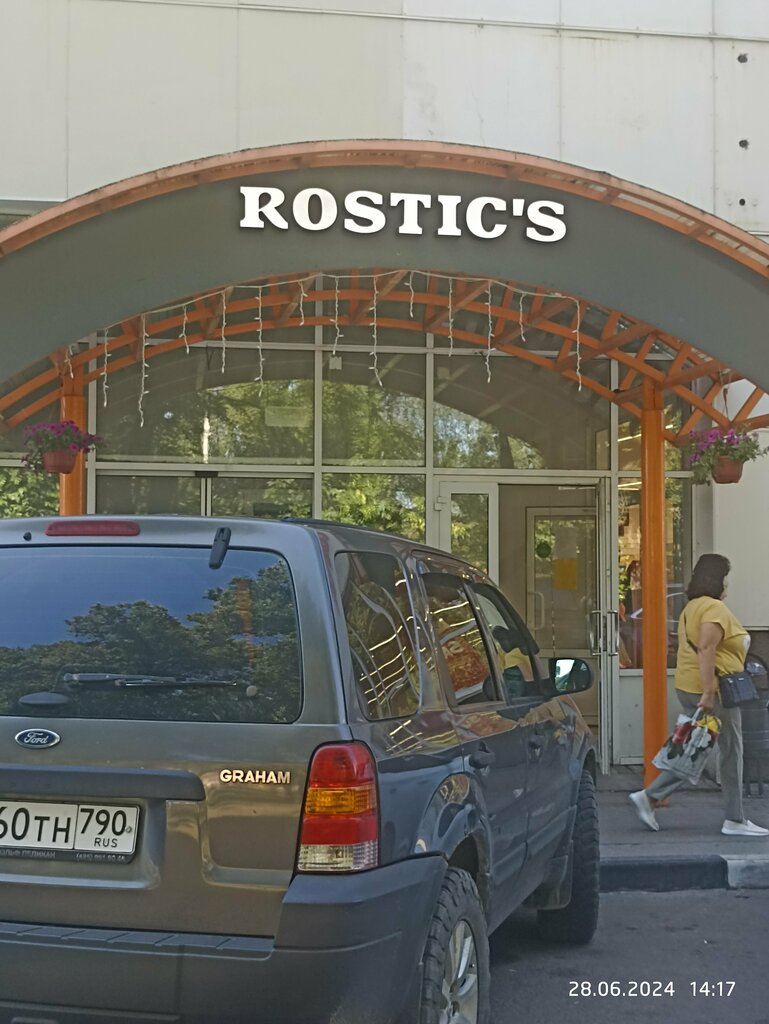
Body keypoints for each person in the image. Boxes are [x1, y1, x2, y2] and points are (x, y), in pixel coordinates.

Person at [629, 553, 769, 837]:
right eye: (725, 578)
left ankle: (651, 797)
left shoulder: (692, 607)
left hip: (691, 686)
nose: (727, 584)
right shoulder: (714, 608)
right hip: (716, 691)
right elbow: (706, 648)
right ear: (718, 579)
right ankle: (734, 819)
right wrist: (708, 692)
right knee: (730, 752)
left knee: (695, 747)